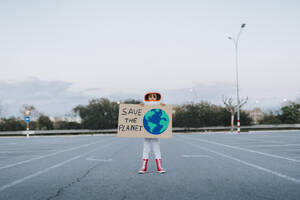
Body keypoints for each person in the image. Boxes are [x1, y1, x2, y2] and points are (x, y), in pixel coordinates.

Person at [138, 92, 166, 174]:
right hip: (147, 129)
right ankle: (143, 167)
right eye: (150, 96)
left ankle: (159, 167)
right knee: (146, 149)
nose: (152, 98)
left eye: (154, 96)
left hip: (155, 130)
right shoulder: (144, 105)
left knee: (156, 149)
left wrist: (163, 106)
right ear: (147, 97)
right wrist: (141, 106)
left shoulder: (159, 105)